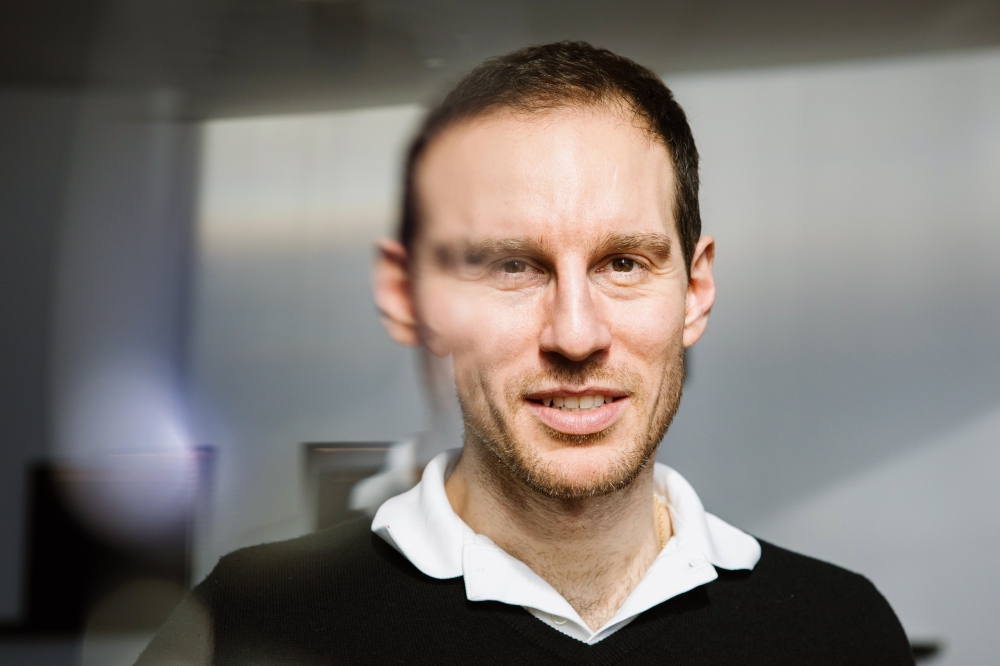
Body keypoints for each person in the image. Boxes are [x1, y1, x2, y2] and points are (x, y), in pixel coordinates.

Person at [137, 42, 914, 665]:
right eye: (513, 266)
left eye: (623, 263)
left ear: (696, 289)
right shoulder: (244, 627)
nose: (575, 335)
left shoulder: (842, 632)